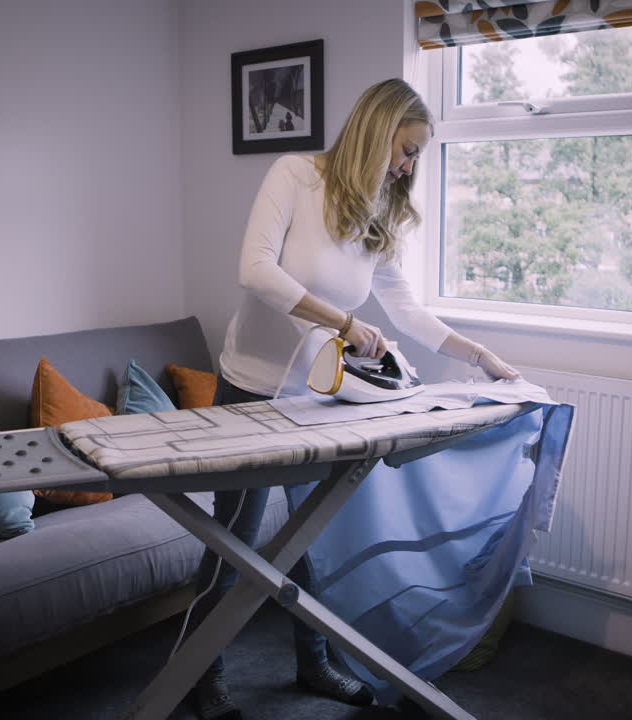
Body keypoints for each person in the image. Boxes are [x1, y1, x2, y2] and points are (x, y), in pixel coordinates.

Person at [188, 78, 520, 720]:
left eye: (417, 155)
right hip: (251, 390)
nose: (409, 166)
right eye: (407, 148)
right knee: (235, 541)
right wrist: (344, 324)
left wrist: (481, 357)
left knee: (309, 543)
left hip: (316, 398)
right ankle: (203, 672)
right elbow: (256, 272)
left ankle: (314, 662)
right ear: (377, 128)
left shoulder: (378, 213)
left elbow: (408, 313)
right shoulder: (295, 175)